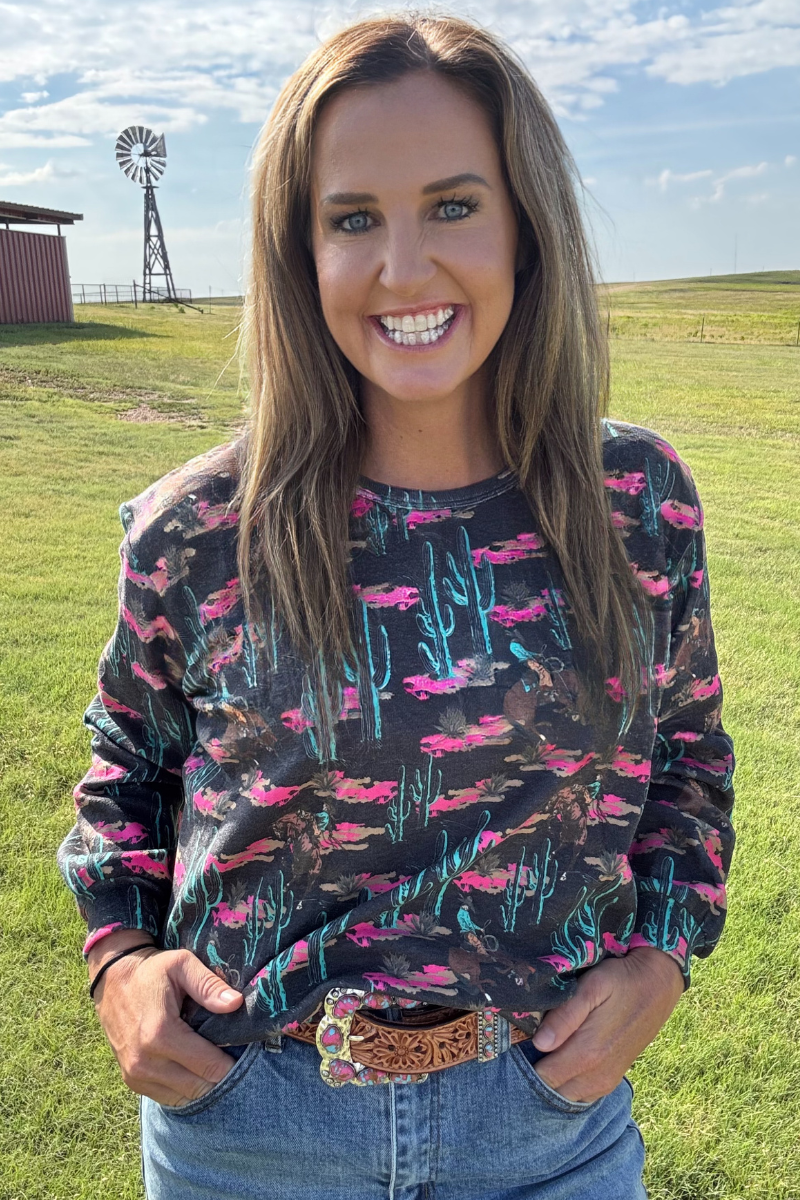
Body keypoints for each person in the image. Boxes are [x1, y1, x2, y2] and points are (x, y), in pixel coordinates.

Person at [57, 13, 735, 1199]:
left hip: (543, 1127)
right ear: (299, 248)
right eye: (353, 218)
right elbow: (128, 769)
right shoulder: (195, 529)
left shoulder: (635, 501)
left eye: (453, 206)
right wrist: (118, 958)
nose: (402, 268)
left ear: (525, 224)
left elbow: (686, 760)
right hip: (246, 1128)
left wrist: (664, 957)